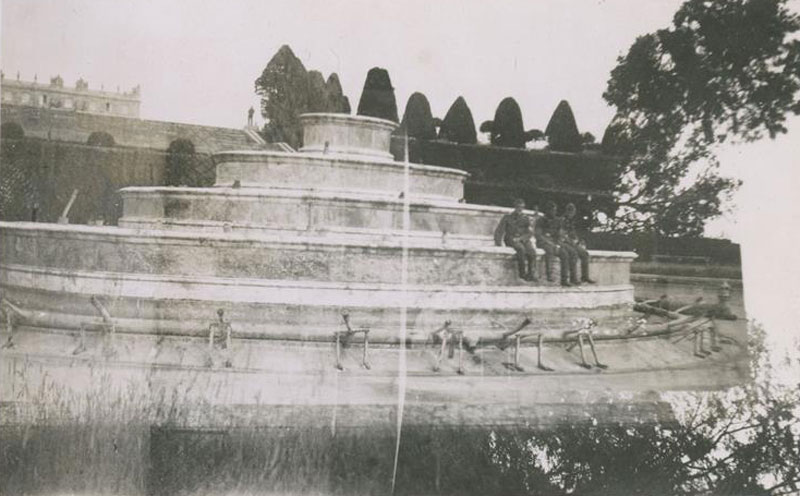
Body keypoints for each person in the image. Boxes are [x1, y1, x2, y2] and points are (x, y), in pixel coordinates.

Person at [494, 198, 538, 281]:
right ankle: (522, 273)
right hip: (511, 238)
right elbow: (499, 230)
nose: (520, 209)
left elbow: (530, 233)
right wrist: (498, 242)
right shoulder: (507, 217)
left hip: (523, 239)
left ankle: (531, 273)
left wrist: (522, 238)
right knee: (521, 249)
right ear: (515, 207)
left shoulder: (526, 218)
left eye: (522, 207)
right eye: (518, 207)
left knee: (532, 251)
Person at [534, 201, 574, 286]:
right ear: (547, 211)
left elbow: (558, 235)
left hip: (553, 242)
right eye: (552, 210)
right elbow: (538, 235)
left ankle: (564, 279)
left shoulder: (557, 221)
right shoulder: (540, 220)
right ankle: (549, 274)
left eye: (555, 210)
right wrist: (550, 243)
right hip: (543, 242)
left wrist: (558, 244)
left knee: (564, 254)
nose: (554, 212)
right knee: (549, 250)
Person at [562, 203, 596, 284]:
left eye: (573, 212)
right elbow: (562, 234)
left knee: (584, 254)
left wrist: (578, 240)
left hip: (572, 242)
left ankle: (585, 276)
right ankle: (573, 278)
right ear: (567, 211)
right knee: (573, 255)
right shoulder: (562, 220)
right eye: (571, 212)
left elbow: (573, 233)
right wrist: (571, 242)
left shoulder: (572, 221)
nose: (572, 214)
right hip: (564, 242)